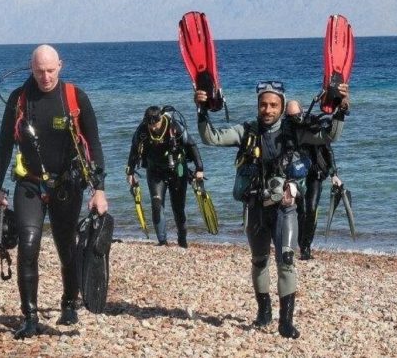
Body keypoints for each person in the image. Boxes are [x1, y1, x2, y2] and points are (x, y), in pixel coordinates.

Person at [195, 81, 349, 339]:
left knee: (286, 261)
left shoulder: (295, 131)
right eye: (263, 104)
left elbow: (329, 136)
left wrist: (341, 110)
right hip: (255, 208)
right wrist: (201, 110)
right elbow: (211, 137)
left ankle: (285, 322)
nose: (268, 110)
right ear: (257, 106)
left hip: (285, 209)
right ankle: (264, 311)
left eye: (273, 105)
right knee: (259, 261)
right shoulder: (246, 131)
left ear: (281, 106)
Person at [0, 44, 108, 339]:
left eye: (50, 70)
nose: (45, 77)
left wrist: (99, 190)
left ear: (61, 66)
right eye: (40, 71)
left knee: (67, 246)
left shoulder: (75, 97)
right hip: (29, 183)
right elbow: (4, 145)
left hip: (67, 185)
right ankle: (30, 317)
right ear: (31, 68)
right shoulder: (19, 100)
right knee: (28, 247)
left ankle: (69, 302)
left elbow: (93, 145)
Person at [126, 106, 204, 247]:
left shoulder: (174, 126)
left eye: (155, 124)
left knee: (178, 208)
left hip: (177, 171)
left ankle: (182, 241)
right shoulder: (142, 131)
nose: (153, 128)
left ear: (161, 119)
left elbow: (191, 144)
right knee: (156, 205)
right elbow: (134, 149)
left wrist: (199, 168)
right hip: (155, 172)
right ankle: (162, 243)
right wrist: (130, 172)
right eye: (150, 125)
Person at [285, 100, 343, 260]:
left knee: (311, 208)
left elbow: (328, 148)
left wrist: (334, 174)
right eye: (290, 117)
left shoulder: (313, 125)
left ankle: (306, 247)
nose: (295, 119)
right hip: (297, 175)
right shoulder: (287, 129)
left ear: (302, 112)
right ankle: (301, 243)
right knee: (300, 210)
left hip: (316, 173)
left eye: (297, 115)